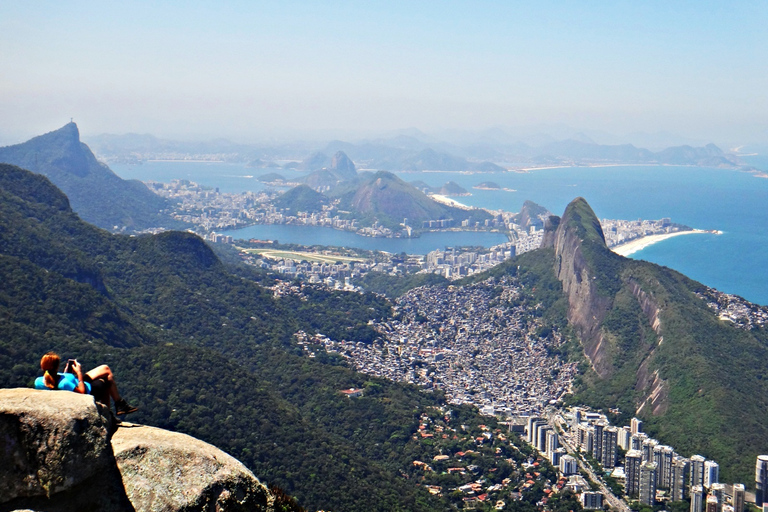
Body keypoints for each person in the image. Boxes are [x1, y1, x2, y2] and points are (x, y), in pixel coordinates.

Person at [34, 351, 138, 416]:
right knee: (105, 380)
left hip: (73, 382)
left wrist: (66, 372)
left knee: (104, 368)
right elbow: (82, 393)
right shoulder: (64, 383)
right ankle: (112, 410)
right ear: (56, 367)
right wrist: (79, 372)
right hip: (87, 388)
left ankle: (119, 405)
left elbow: (57, 383)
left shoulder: (38, 381)